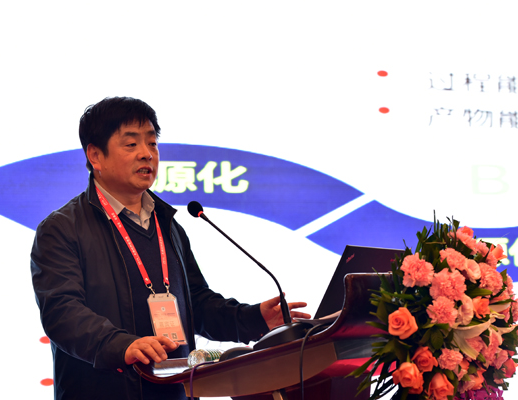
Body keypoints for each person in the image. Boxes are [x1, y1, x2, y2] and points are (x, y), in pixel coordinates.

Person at [30, 96, 310, 400]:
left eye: (152, 143)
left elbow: (196, 305)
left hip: (176, 391)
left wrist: (254, 319)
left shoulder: (167, 225)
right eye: (131, 144)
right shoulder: (62, 228)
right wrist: (121, 345)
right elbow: (62, 313)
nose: (146, 154)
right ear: (96, 156)